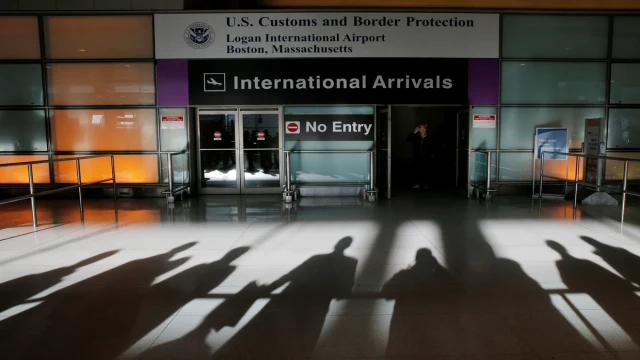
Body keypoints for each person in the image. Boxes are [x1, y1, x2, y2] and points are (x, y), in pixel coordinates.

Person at [407, 124, 430, 189]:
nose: (422, 130)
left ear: (426, 129)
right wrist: (414, 132)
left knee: (425, 170)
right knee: (416, 170)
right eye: (420, 129)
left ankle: (425, 184)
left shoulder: (429, 137)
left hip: (425, 157)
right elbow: (408, 139)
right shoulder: (416, 137)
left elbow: (432, 146)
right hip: (417, 156)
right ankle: (417, 184)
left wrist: (431, 155)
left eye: (423, 129)